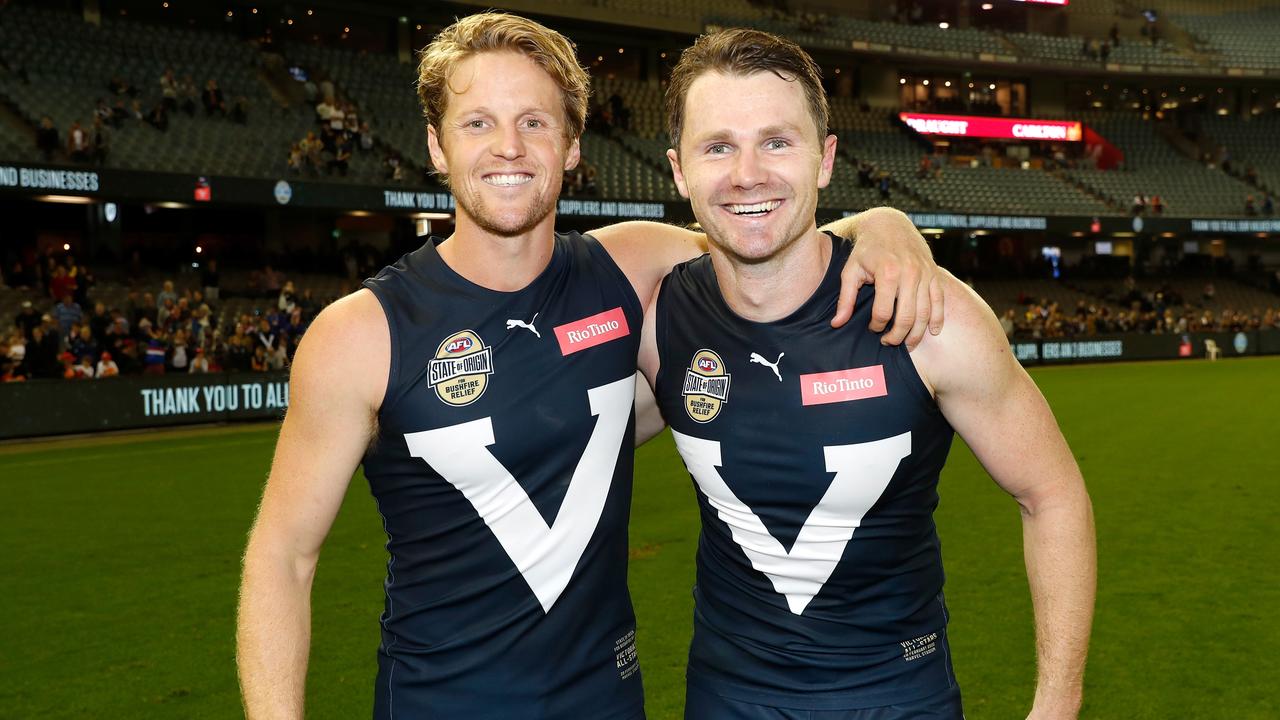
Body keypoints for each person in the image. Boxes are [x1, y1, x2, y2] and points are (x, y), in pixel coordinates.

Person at [236, 13, 945, 720]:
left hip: (607, 701)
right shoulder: (359, 335)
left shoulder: (631, 265)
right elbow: (283, 557)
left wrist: (880, 223)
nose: (509, 148)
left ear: (572, 146)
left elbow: (764, 231)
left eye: (535, 123)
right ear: (436, 145)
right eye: (478, 123)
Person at [636, 29, 1095, 719]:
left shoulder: (930, 317)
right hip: (727, 699)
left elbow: (1052, 495)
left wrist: (1056, 705)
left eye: (777, 142)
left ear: (825, 160)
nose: (748, 173)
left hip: (896, 698)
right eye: (719, 145)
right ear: (678, 171)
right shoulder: (657, 316)